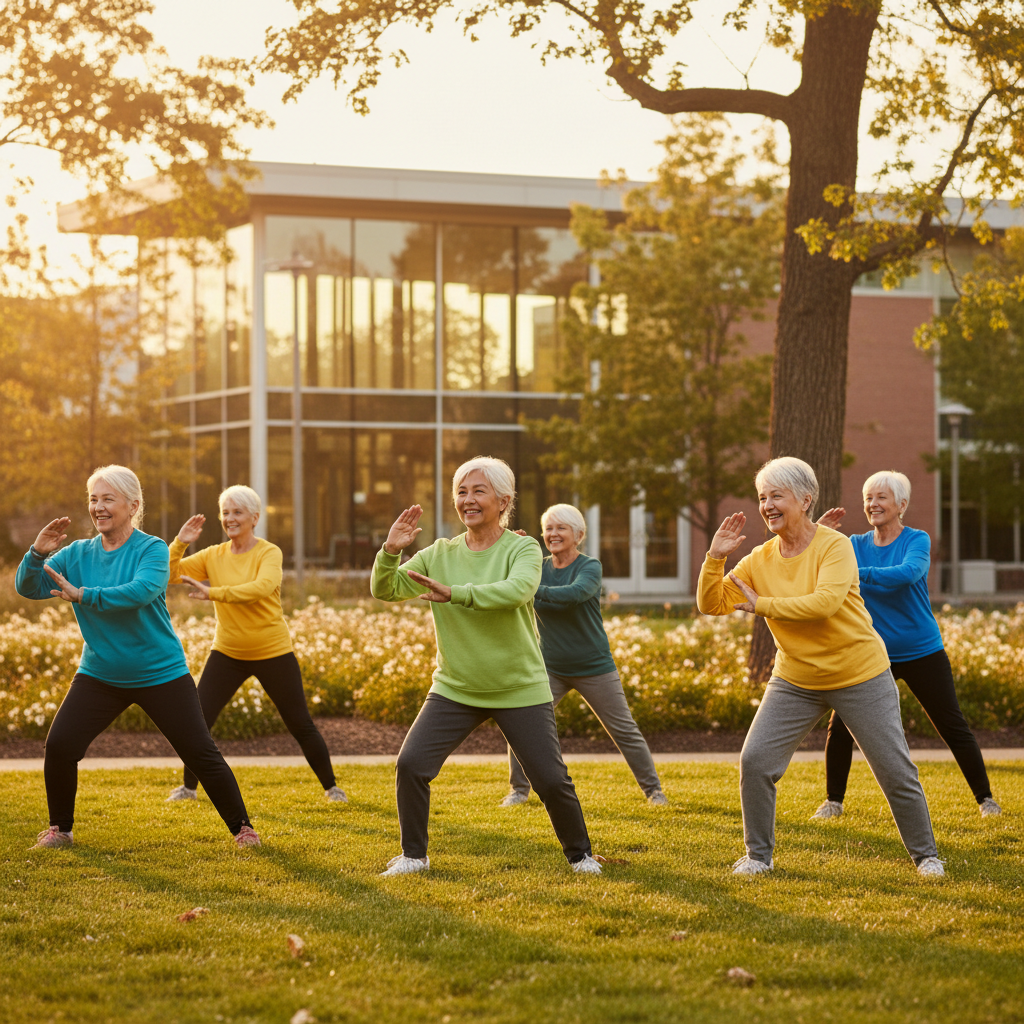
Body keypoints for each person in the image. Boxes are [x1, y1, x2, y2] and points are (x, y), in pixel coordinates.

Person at [697, 456, 944, 878]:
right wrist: (714, 559)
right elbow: (712, 603)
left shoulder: (835, 545)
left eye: (777, 495)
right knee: (756, 762)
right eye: (762, 497)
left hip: (859, 673)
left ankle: (926, 856)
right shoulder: (760, 558)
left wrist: (763, 605)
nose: (767, 504)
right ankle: (758, 857)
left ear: (805, 499)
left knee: (894, 770)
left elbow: (825, 604)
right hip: (796, 679)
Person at [370, 456, 602, 877]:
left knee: (550, 780)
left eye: (479, 491)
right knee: (412, 764)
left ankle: (581, 856)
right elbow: (385, 589)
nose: (468, 499)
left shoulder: (524, 548)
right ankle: (414, 856)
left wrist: (456, 593)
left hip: (518, 687)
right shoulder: (439, 552)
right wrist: (390, 551)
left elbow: (516, 591)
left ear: (503, 500)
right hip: (455, 687)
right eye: (461, 491)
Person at [15, 465, 260, 850]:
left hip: (159, 672)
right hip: (100, 672)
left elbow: (142, 591)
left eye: (108, 499)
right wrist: (36, 553)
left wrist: (85, 595)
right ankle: (60, 830)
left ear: (133, 505)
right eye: (94, 499)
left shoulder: (152, 549)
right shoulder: (76, 553)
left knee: (199, 751)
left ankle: (243, 828)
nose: (99, 507)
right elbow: (29, 587)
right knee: (61, 744)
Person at [809, 471, 1001, 820]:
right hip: (871, 653)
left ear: (902, 504)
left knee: (951, 724)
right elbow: (813, 564)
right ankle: (833, 802)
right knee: (841, 726)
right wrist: (817, 534)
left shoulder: (917, 539)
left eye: (881, 497)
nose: (873, 504)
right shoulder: (853, 544)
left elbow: (907, 574)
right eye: (868, 497)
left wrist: (856, 571)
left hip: (921, 650)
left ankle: (986, 799)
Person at [164, 485, 345, 804]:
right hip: (227, 653)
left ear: (254, 518)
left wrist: (213, 593)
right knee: (199, 721)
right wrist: (180, 543)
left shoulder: (268, 552)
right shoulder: (213, 555)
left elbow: (261, 588)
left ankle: (332, 788)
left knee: (300, 723)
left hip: (273, 652)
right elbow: (167, 573)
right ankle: (188, 789)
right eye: (225, 512)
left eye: (237, 512)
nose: (230, 518)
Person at [501, 503, 667, 807]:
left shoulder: (590, 566)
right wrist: (511, 550)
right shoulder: (536, 566)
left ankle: (654, 790)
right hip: (549, 667)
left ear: (578, 534)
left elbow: (575, 595)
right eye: (548, 528)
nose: (553, 534)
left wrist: (530, 586)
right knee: (521, 722)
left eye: (561, 528)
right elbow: (506, 582)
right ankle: (518, 790)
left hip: (594, 667)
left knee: (624, 730)